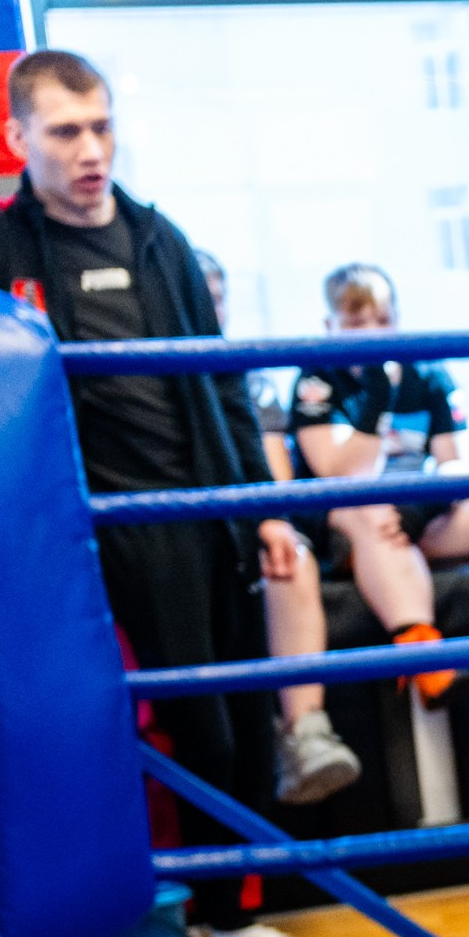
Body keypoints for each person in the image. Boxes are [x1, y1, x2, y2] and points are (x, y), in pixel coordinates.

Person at [0, 50, 328, 937]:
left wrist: (264, 510)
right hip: (77, 538)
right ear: (18, 139)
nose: (89, 149)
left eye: (102, 126)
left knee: (224, 724)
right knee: (119, 734)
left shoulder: (161, 240)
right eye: (66, 131)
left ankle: (236, 915)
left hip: (198, 517)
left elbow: (220, 384)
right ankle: (168, 917)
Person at [288, 263, 469, 706]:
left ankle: (394, 558)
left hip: (416, 518)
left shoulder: (428, 372)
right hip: (350, 517)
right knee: (371, 510)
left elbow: (455, 463)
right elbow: (338, 473)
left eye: (382, 321)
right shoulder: (316, 378)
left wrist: (427, 503)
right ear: (330, 327)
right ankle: (422, 651)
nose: (373, 334)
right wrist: (377, 398)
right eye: (357, 324)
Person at [195, 249, 363, 806]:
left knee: (289, 554)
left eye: (216, 299)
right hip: (174, 535)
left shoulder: (252, 377)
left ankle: (304, 731)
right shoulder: (142, 370)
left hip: (247, 524)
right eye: (200, 297)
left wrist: (266, 525)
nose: (208, 309)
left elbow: (275, 475)